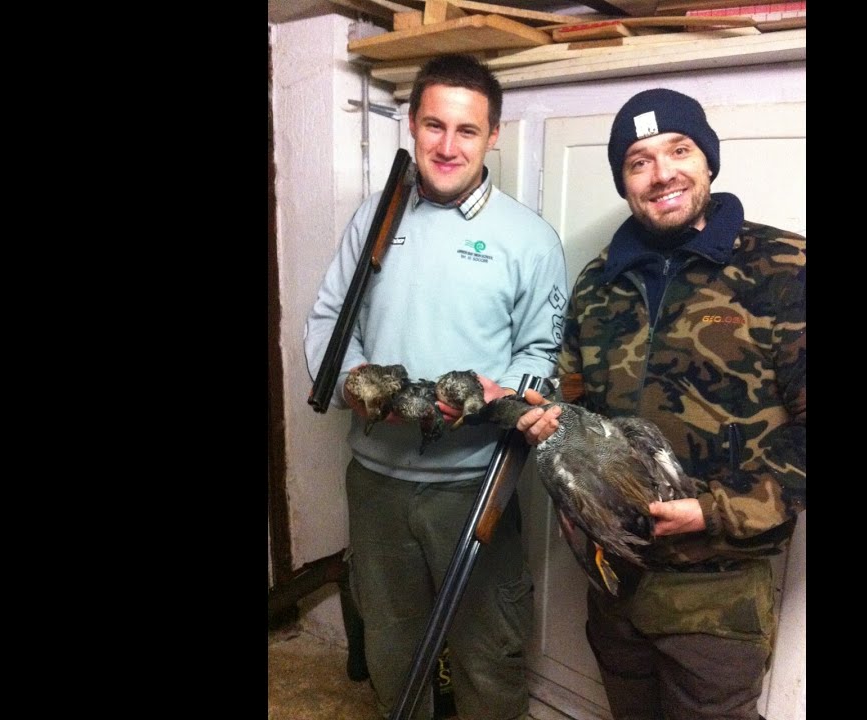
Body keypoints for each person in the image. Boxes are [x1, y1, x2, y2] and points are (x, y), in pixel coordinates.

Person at [514, 88, 806, 720]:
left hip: (717, 592)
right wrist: (555, 455)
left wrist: (712, 510)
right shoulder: (599, 283)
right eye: (638, 160)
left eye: (679, 149)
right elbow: (574, 408)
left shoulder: (785, 268)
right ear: (623, 180)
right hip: (614, 578)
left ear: (708, 161)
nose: (662, 172)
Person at [304, 54, 569, 720]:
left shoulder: (528, 240)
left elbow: (542, 356)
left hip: (473, 483)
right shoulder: (375, 218)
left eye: (467, 130)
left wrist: (495, 393)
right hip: (377, 483)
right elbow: (332, 320)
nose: (447, 147)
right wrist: (355, 383)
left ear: (493, 135)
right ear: (413, 125)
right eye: (433, 125)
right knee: (395, 646)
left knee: (488, 654)